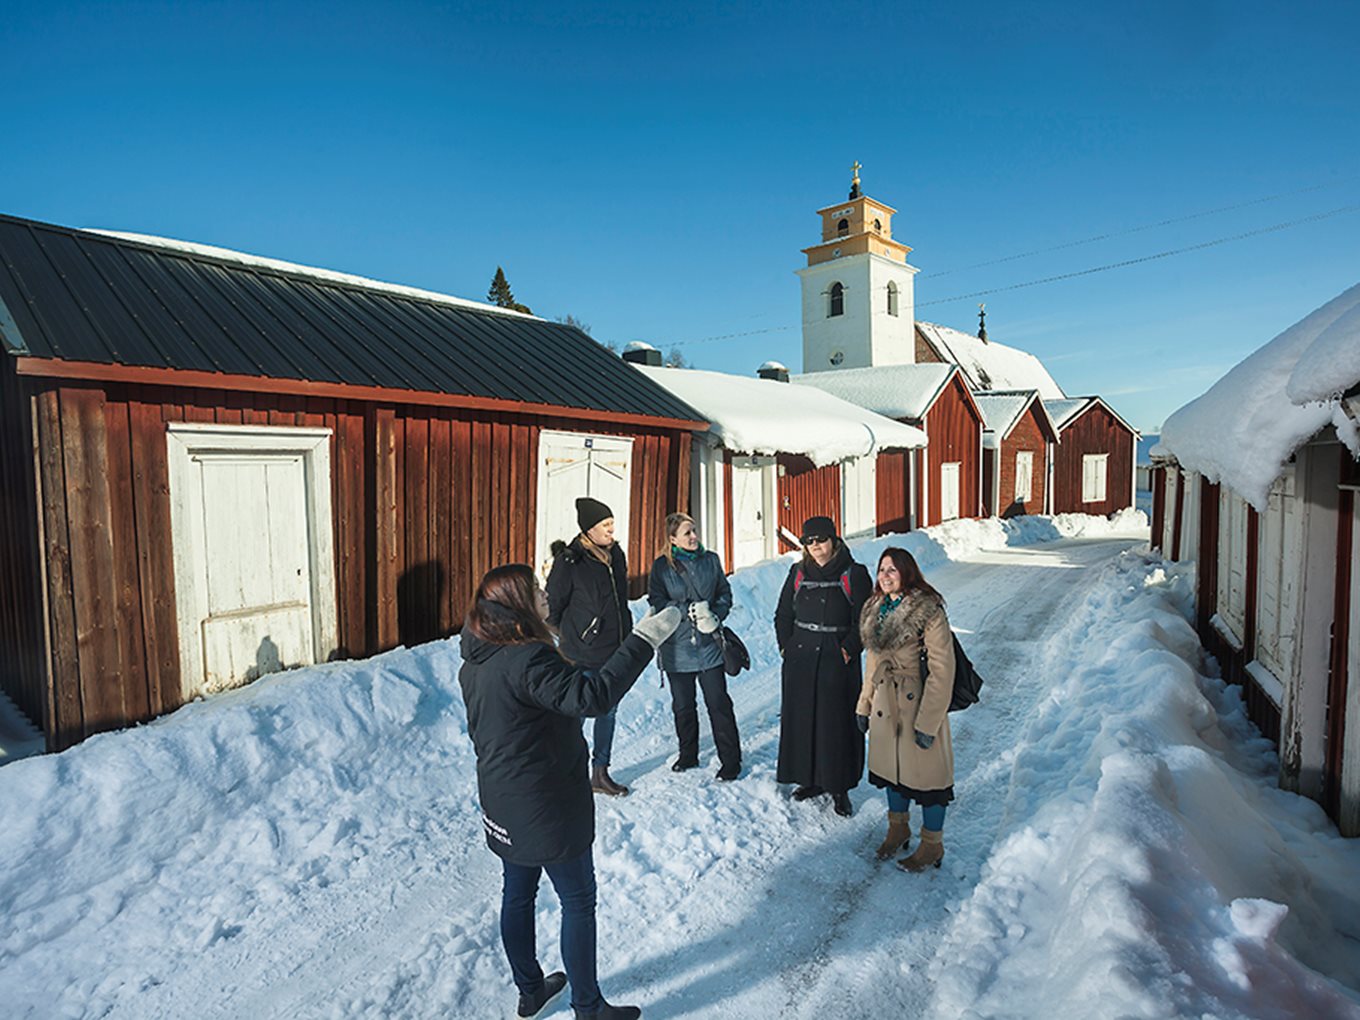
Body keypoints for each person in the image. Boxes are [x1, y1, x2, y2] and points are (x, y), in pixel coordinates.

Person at [459, 563, 682, 1020]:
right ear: (520, 603)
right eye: (536, 590)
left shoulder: (477, 657)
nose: (545, 593)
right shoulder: (527, 658)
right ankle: (588, 1007)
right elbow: (593, 697)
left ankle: (531, 989)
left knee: (516, 894)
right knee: (578, 900)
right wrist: (642, 640)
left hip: (503, 799)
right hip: (546, 804)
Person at [856, 547, 955, 872]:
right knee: (891, 774)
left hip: (919, 705)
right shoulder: (875, 608)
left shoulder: (929, 611)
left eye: (892, 570)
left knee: (929, 781)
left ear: (907, 573)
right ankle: (898, 829)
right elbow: (872, 662)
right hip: (886, 704)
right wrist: (865, 703)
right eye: (882, 569)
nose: (885, 576)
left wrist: (928, 723)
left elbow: (942, 670)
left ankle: (931, 845)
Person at [773, 515, 873, 817]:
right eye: (809, 541)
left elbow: (865, 619)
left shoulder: (854, 573)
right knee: (803, 720)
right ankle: (810, 779)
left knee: (836, 724)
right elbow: (782, 615)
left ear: (834, 539)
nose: (815, 546)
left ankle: (839, 787)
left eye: (821, 539)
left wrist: (848, 649)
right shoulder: (797, 572)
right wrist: (785, 647)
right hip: (801, 656)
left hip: (836, 658)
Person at [547, 497, 633, 796]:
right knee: (576, 716)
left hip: (615, 650)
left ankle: (600, 773)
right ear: (588, 530)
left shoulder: (616, 555)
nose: (611, 530)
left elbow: (620, 600)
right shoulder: (571, 561)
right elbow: (553, 608)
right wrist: (576, 637)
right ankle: (563, 772)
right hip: (583, 655)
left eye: (612, 524)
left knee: (607, 712)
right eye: (605, 525)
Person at [648, 512, 742, 781]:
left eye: (694, 531)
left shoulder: (710, 560)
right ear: (672, 538)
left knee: (718, 703)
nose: (693, 536)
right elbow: (656, 601)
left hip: (708, 644)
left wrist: (715, 615)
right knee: (683, 706)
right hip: (676, 648)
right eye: (687, 532)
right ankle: (688, 755)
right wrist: (686, 609)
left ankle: (731, 761)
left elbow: (725, 593)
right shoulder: (661, 567)